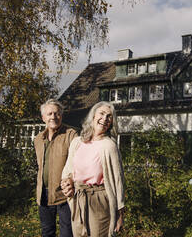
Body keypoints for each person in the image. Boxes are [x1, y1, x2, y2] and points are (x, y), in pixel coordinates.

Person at [61, 101, 125, 237]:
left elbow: (118, 180)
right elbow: (68, 170)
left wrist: (120, 212)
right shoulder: (77, 142)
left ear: (111, 122)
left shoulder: (109, 146)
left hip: (99, 200)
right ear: (93, 116)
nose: (105, 119)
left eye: (109, 116)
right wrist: (67, 181)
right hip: (78, 198)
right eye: (101, 114)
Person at [34, 99, 78, 237]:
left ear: (61, 116)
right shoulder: (38, 139)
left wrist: (71, 181)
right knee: (47, 232)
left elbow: (78, 164)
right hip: (43, 194)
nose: (53, 117)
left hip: (65, 194)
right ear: (43, 118)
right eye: (50, 114)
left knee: (67, 233)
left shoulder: (71, 135)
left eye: (57, 113)